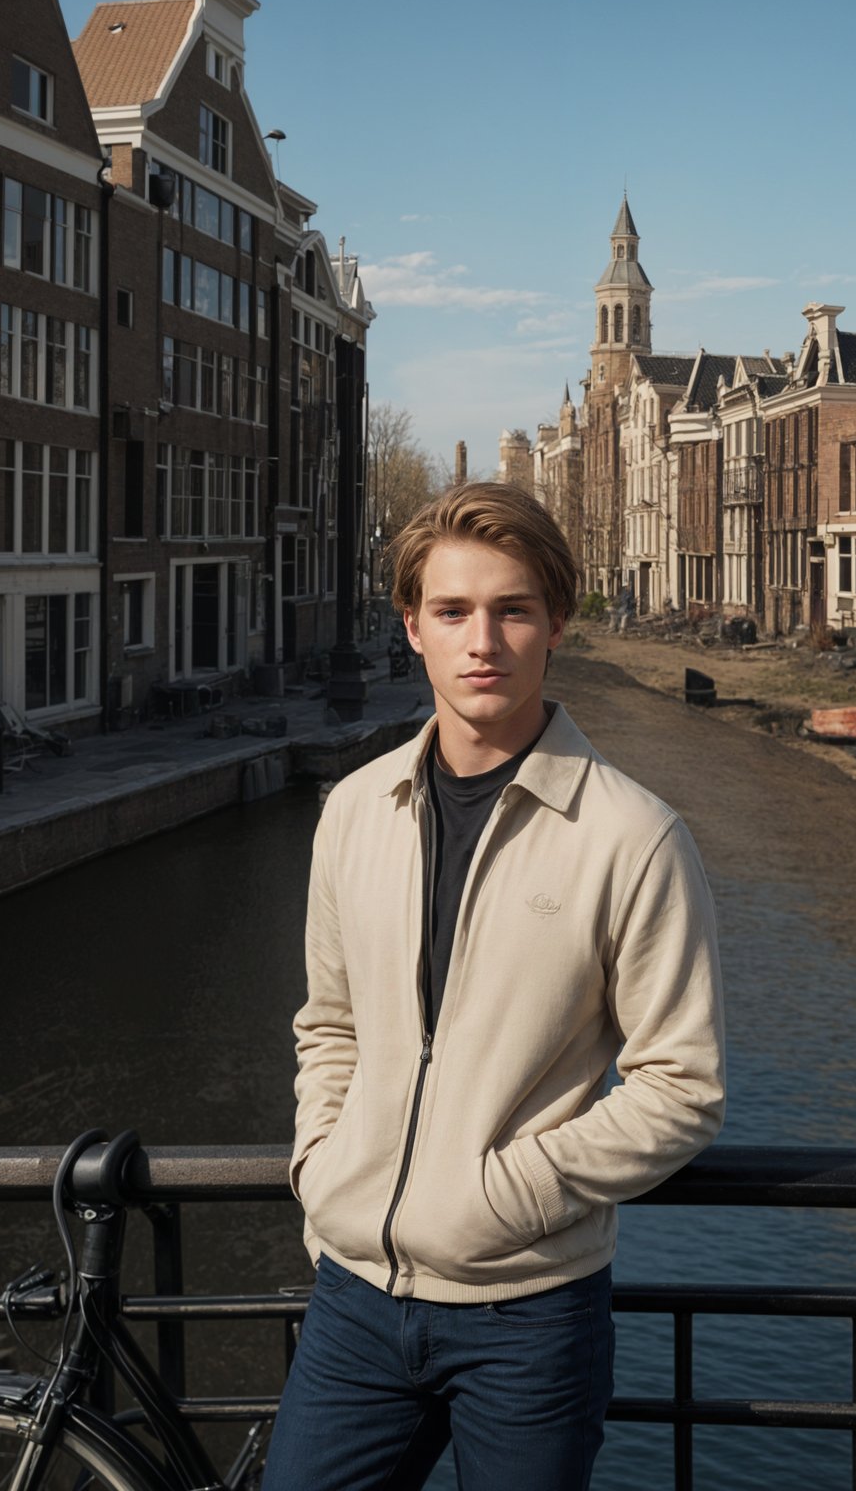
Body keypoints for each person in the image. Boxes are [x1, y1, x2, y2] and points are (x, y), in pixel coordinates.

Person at [264, 481, 725, 1491]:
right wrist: (323, 1166)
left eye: (512, 610)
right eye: (453, 612)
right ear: (413, 628)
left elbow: (680, 1087)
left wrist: (499, 1198)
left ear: (556, 624)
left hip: (528, 1313)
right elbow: (329, 1024)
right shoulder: (352, 811)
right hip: (353, 1294)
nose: (484, 641)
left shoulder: (632, 836)